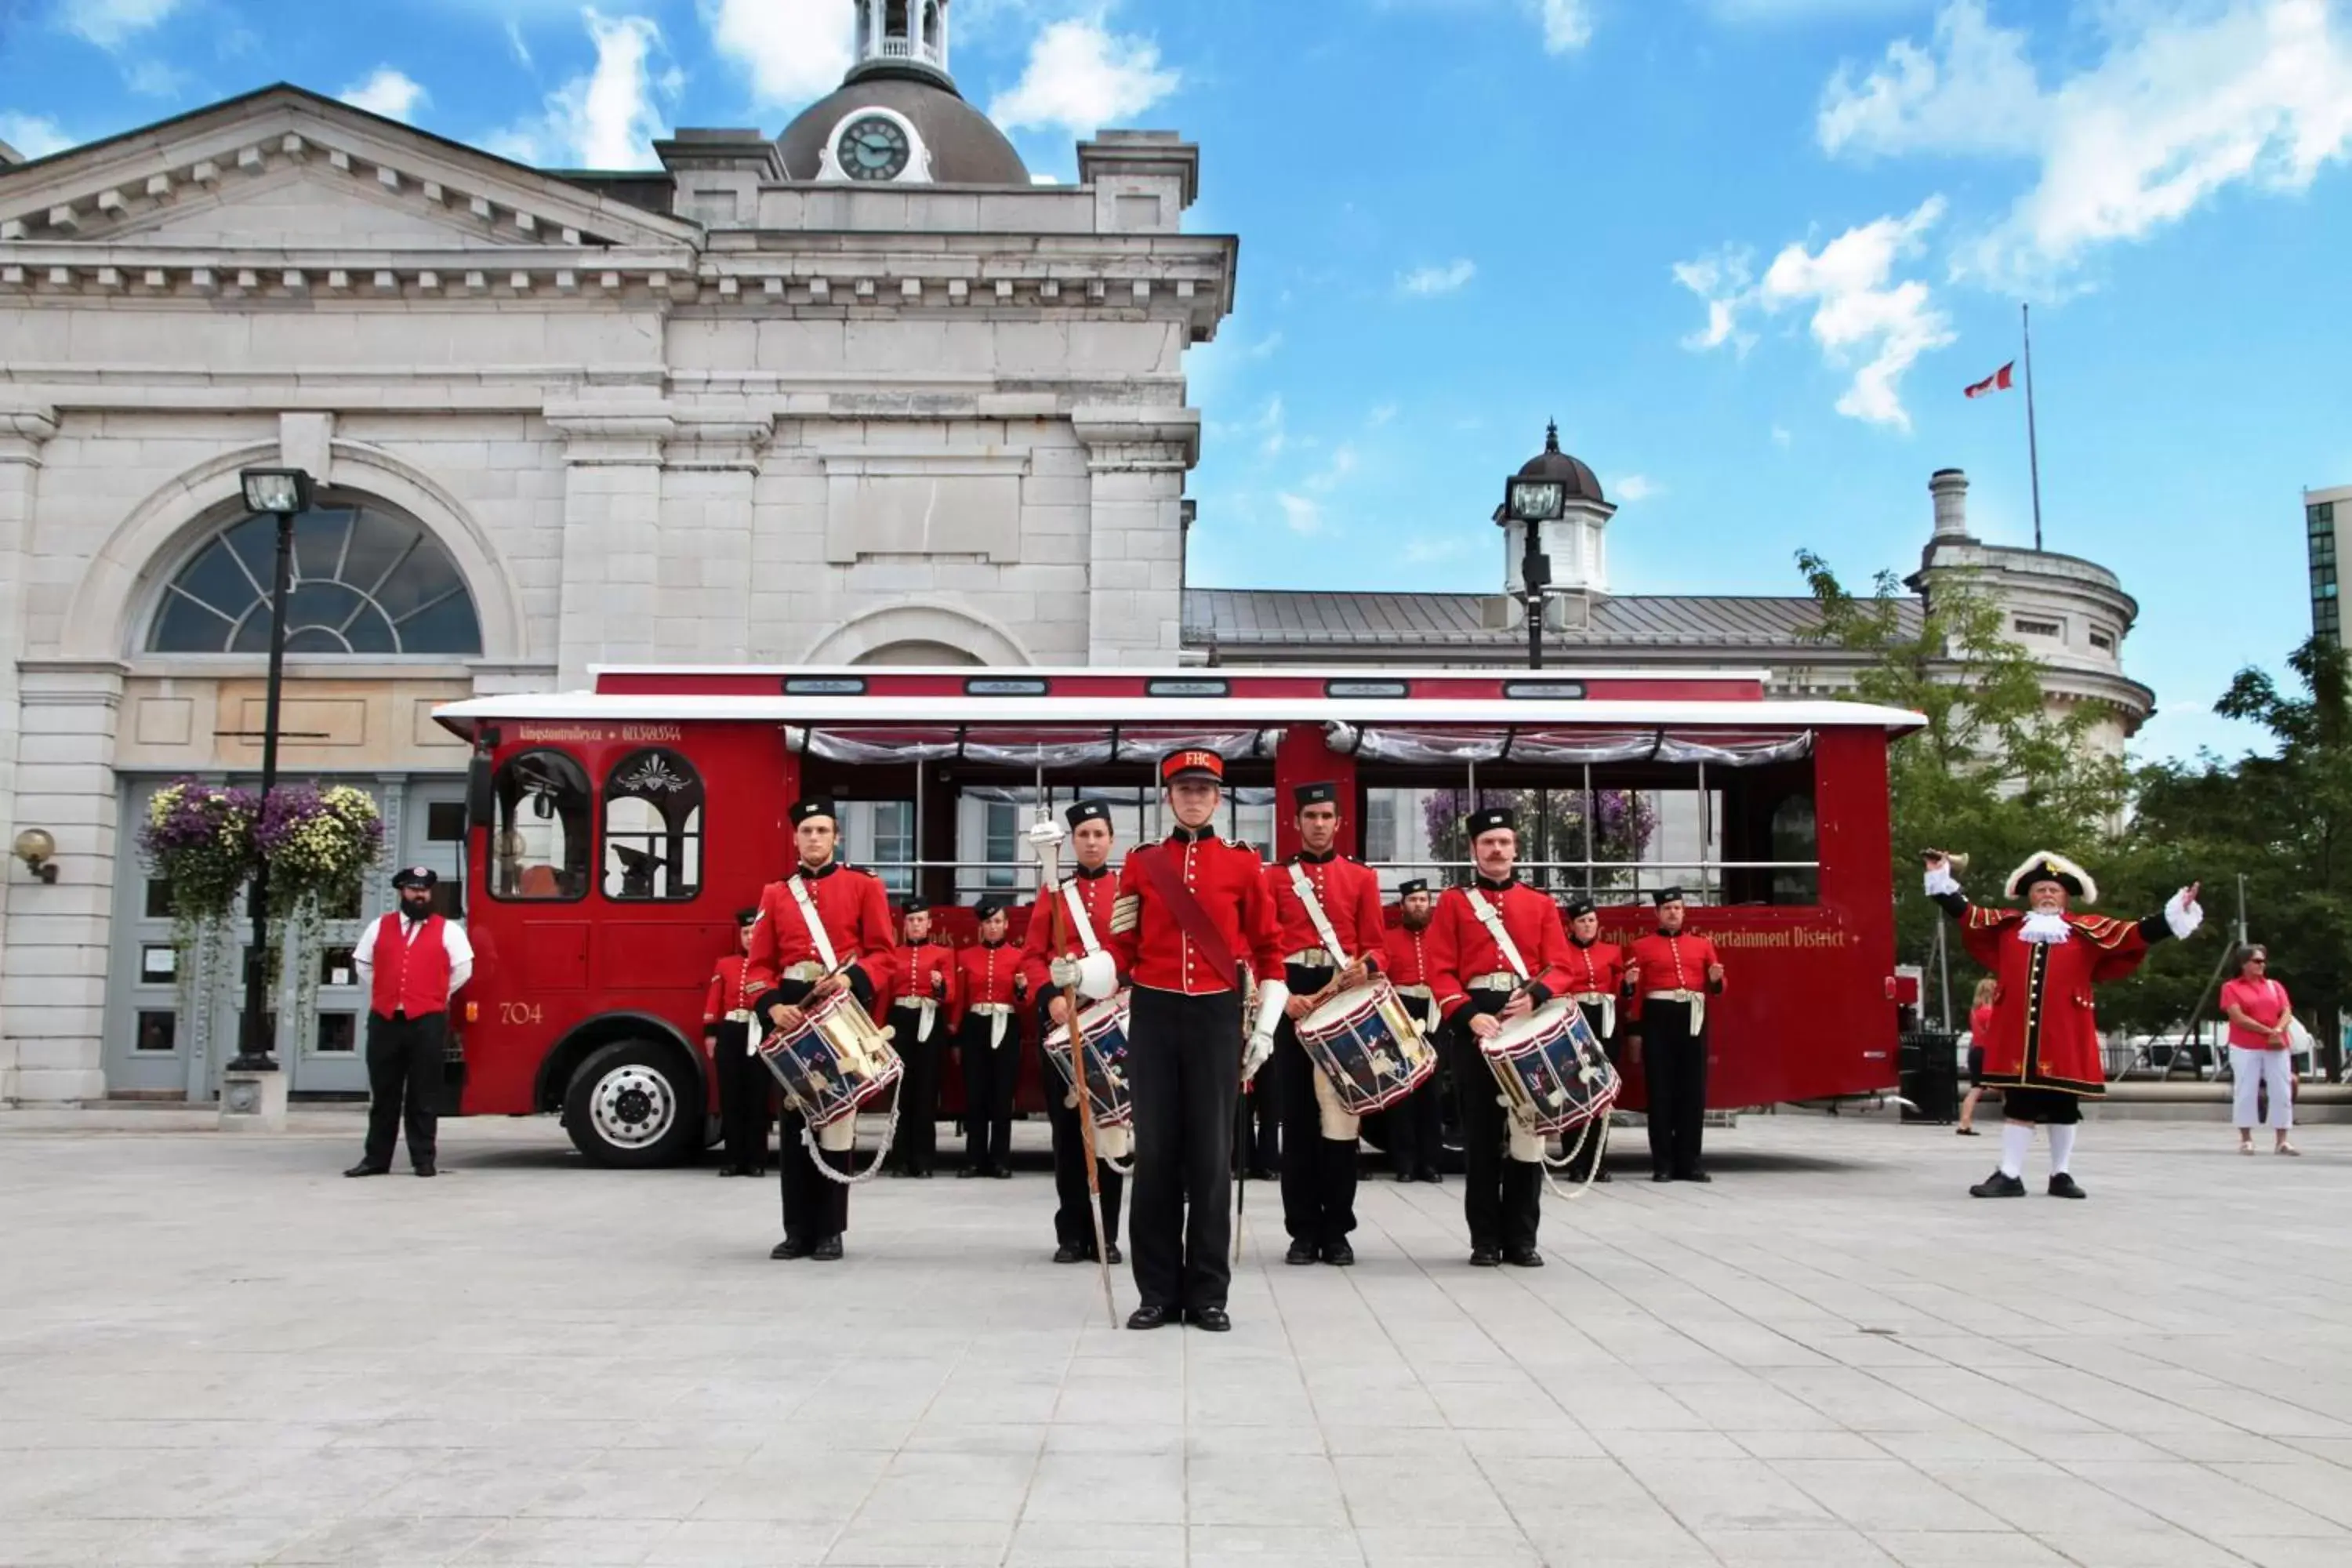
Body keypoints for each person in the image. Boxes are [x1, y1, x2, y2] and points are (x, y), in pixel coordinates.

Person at [1076, 747, 1283, 1331]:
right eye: (1184, 789)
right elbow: (1122, 948)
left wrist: (1264, 1027)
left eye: (1204, 789)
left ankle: (1208, 1294)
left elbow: (1270, 952)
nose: (1194, 797)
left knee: (1213, 1159)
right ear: (1169, 797)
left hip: (1217, 1017)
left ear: (1218, 798)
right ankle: (1158, 1292)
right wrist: (1086, 971)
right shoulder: (1141, 864)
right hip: (1155, 1014)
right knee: (1159, 1156)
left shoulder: (1245, 865)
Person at [1925, 850, 2201, 1199]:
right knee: (2019, 1104)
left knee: (2064, 1107)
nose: (2047, 895)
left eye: (2053, 890)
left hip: (2066, 1033)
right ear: (2030, 895)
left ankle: (2061, 1174)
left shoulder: (2086, 931)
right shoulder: (2009, 927)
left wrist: (2177, 910)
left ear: (2066, 896)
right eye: (2040, 889)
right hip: (2019, 1037)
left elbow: (2136, 933)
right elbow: (1964, 913)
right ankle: (2009, 1174)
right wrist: (1938, 875)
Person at [748, 799, 895, 1259]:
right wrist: (773, 1007)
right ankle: (797, 1231)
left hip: (839, 1009)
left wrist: (850, 978)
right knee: (795, 1122)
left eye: (823, 830)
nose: (815, 838)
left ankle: (831, 1230)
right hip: (793, 1007)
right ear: (795, 837)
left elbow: (884, 955)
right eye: (807, 830)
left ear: (836, 837)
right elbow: (759, 966)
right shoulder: (776, 893)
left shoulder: (864, 886)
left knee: (837, 1120)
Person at [1427, 807, 1571, 1269]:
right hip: (1477, 1023)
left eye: (1504, 842)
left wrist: (1535, 999)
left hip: (1525, 1019)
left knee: (1529, 1134)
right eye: (1488, 843)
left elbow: (1562, 967)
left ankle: (1523, 1239)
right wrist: (1467, 1015)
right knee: (1483, 1137)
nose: (1497, 850)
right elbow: (1440, 969)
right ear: (1474, 850)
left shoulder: (1541, 904)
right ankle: (1485, 1239)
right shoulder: (1453, 903)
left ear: (1515, 848)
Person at [1265, 782, 1388, 1268]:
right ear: (1297, 823)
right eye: (1310, 816)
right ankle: (1302, 1232)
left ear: (1339, 823)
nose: (1318, 824)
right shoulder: (1272, 878)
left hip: (1343, 995)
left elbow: (1380, 946)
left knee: (1341, 1120)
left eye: (1326, 816)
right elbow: (1258, 947)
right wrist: (1282, 996)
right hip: (1294, 994)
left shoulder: (1361, 878)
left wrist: (1369, 966)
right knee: (1295, 1121)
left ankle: (1337, 1229)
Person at [1021, 799, 1128, 1265]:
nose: (1090, 842)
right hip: (1064, 1023)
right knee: (1067, 1133)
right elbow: (1030, 956)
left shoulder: (1127, 891)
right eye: (1082, 835)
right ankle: (1071, 1234)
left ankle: (1106, 1234)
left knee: (1111, 1130)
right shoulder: (1053, 892)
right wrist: (1051, 997)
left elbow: (1136, 955)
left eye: (1098, 834)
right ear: (1071, 842)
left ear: (1110, 840)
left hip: (1111, 1023)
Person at [346, 866, 474, 1178]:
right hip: (386, 1020)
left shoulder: (449, 931)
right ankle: (376, 1159)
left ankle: (423, 1159)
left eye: (425, 890)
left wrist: (434, 994)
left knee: (424, 1094)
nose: (420, 895)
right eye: (414, 889)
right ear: (402, 892)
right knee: (384, 1094)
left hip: (426, 1022)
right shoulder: (379, 927)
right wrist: (387, 990)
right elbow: (363, 964)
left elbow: (463, 969)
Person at [1625, 888, 1726, 1184]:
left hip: (1693, 1016)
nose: (1673, 913)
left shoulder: (1703, 945)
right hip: (1659, 1015)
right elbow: (1636, 995)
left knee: (1692, 1092)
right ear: (1657, 913)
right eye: (1667, 908)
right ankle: (1663, 1164)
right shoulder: (1641, 946)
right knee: (1660, 1092)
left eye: (1678, 908)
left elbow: (1717, 988)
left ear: (1684, 912)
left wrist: (1717, 981)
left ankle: (1690, 1162)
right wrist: (1635, 1031)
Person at [882, 903, 956, 1178]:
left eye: (920, 919)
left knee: (926, 1092)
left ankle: (923, 1160)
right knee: (901, 1092)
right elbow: (886, 995)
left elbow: (950, 996)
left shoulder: (943, 953)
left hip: (929, 1020)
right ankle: (900, 1160)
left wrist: (939, 985)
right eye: (911, 919)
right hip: (900, 1021)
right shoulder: (894, 954)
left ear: (929, 924)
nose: (915, 924)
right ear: (905, 924)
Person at [954, 899, 1025, 1179]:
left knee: (1001, 1096)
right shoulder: (966, 957)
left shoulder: (1018, 957)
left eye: (998, 922)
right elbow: (960, 1000)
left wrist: (1021, 991)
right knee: (975, 1095)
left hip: (1006, 1025)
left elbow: (1026, 1003)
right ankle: (974, 1159)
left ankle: (1000, 1160)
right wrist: (956, 1037)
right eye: (988, 922)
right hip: (976, 1026)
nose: (993, 927)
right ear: (981, 927)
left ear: (1006, 925)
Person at [1381, 879, 1444, 1185]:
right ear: (1402, 905)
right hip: (1401, 1009)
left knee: (1431, 1094)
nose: (1418, 905)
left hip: (1434, 1011)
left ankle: (1430, 1163)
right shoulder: (1388, 938)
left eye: (1423, 899)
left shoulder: (1443, 938)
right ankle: (1404, 1163)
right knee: (1403, 1091)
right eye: (1413, 900)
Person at [1559, 898, 1624, 1183]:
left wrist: (1630, 984)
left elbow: (1623, 989)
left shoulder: (1612, 952)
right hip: (1574, 1022)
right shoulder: (1560, 953)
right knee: (1573, 1094)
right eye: (1582, 921)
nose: (1588, 925)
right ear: (1571, 926)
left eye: (1592, 920)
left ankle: (1598, 1162)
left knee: (1600, 1096)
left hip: (1604, 1023)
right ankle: (1575, 1162)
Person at [702, 907, 768, 1177]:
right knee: (731, 1096)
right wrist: (710, 1033)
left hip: (758, 1032)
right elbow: (714, 999)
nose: (750, 937)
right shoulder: (725, 964)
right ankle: (732, 1159)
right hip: (731, 1030)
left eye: (754, 932)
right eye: (746, 932)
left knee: (757, 1097)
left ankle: (755, 1160)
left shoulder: (769, 966)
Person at [2221, 945, 2298, 1156]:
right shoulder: (2231, 987)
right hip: (2245, 1045)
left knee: (2281, 1090)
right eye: (2256, 961)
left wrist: (2278, 1029)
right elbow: (2238, 1017)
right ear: (2243, 964)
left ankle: (2282, 1140)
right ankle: (2246, 1139)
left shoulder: (2274, 986)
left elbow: (2287, 1011)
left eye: (2263, 960)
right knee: (2246, 1090)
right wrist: (2267, 1030)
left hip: (2275, 1045)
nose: (2261, 964)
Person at [1955, 977, 1997, 1138]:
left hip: (1974, 1050)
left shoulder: (1974, 1011)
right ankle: (2016, 1118)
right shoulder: (1990, 1012)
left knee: (1975, 1088)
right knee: (2002, 1085)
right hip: (1986, 1052)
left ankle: (1964, 1123)